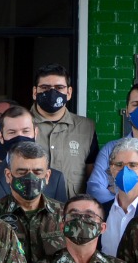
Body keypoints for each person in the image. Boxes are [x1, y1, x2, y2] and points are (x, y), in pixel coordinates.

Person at [30, 64, 99, 198]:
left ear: (69, 92)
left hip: (71, 211)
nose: (52, 92)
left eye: (59, 87)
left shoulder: (86, 127)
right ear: (34, 92)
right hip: (31, 209)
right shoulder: (20, 126)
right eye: (45, 87)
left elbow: (93, 177)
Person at [0, 107, 68, 205]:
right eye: (12, 132)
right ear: (1, 137)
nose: (20, 137)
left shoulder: (56, 178)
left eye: (25, 131)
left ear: (35, 133)